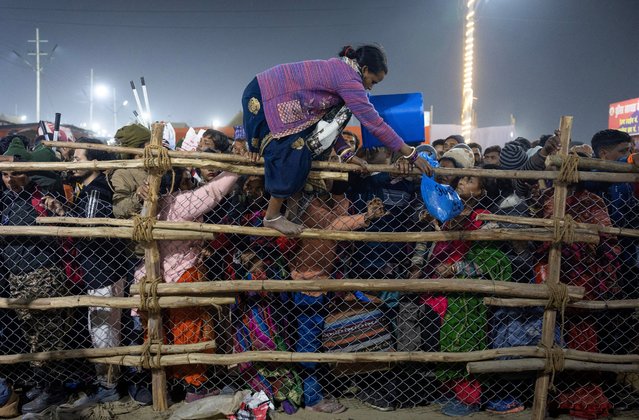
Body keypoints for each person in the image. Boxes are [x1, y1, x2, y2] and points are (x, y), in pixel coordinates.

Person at [241, 43, 432, 235]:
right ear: (365, 69)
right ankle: (272, 216)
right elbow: (373, 123)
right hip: (264, 96)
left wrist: (346, 154)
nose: (369, 87)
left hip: (280, 100)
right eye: (373, 81)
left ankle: (291, 211)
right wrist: (412, 154)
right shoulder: (349, 78)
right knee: (293, 151)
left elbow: (329, 123)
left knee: (304, 152)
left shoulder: (344, 71)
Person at [42, 138, 127, 406]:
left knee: (103, 332)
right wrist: (62, 210)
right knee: (104, 329)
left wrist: (63, 218)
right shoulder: (87, 188)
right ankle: (108, 384)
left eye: (78, 157)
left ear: (94, 161)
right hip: (100, 269)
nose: (73, 162)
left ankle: (109, 388)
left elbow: (88, 230)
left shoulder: (96, 190)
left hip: (102, 270)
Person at [1, 139, 72, 414]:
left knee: (48, 336)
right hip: (17, 276)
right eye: (5, 174)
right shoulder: (7, 199)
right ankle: (44, 384)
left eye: (16, 173)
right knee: (31, 334)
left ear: (29, 171)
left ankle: (53, 391)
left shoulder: (41, 195)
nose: (10, 180)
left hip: (42, 273)